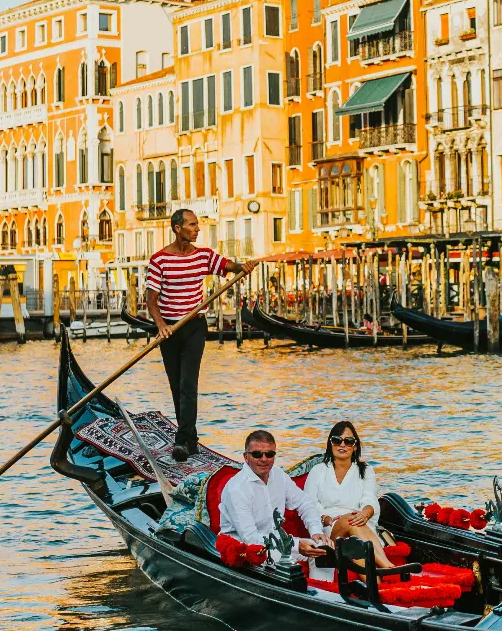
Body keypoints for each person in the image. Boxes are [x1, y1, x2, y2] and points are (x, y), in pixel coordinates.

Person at [145, 208, 249, 453]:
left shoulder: (203, 256)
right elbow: (151, 300)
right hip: (169, 328)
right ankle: (190, 438)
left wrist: (243, 267)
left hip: (194, 326)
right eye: (192, 225)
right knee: (176, 385)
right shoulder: (159, 259)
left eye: (197, 225)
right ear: (177, 228)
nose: (197, 229)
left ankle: (181, 441)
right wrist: (161, 326)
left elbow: (228, 265)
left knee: (188, 383)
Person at [218, 430, 327, 559]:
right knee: (288, 566)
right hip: (245, 548)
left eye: (269, 454)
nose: (264, 459)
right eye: (257, 454)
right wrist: (296, 545)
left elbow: (304, 502)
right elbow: (251, 538)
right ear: (246, 457)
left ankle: (321, 580)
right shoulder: (236, 489)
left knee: (323, 553)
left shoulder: (279, 475)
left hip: (277, 543)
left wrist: (315, 530)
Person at [302, 420, 395, 568]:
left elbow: (369, 498)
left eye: (349, 441)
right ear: (330, 444)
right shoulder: (318, 471)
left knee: (354, 542)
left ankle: (375, 586)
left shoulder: (366, 470)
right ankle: (388, 566)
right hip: (330, 527)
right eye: (337, 440)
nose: (342, 445)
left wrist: (364, 514)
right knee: (349, 521)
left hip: (361, 524)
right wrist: (326, 518)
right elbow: (309, 503)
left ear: (355, 446)